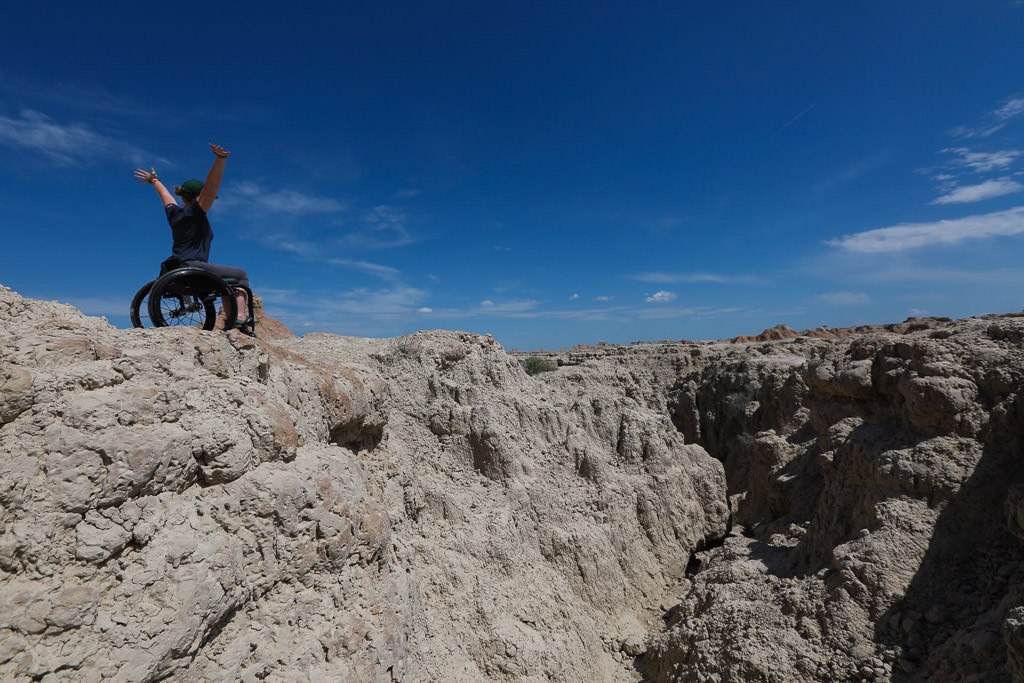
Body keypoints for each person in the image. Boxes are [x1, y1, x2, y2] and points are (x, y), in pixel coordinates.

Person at [134, 143, 251, 328]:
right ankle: (239, 317)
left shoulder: (174, 214)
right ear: (198, 197)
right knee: (241, 274)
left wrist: (154, 180)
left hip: (175, 264)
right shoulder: (195, 213)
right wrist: (220, 159)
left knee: (225, 281)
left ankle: (231, 319)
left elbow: (166, 196)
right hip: (194, 265)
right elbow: (212, 186)